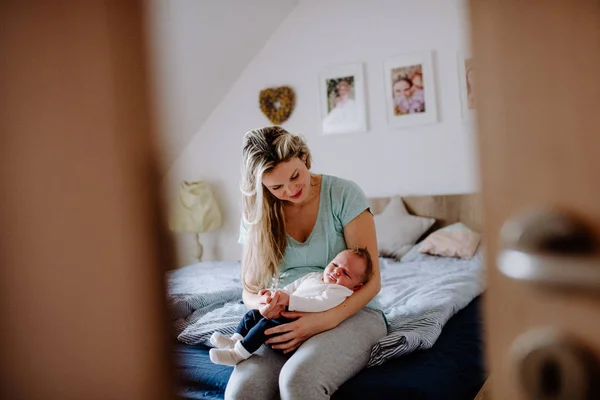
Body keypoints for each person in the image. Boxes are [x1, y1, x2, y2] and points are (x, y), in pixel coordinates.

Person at [226, 126, 386, 399]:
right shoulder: (257, 214)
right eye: (276, 187)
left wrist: (322, 320)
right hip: (282, 318)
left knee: (298, 380)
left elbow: (372, 283)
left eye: (295, 176)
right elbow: (249, 291)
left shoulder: (343, 194)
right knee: (242, 392)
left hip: (350, 311)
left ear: (304, 157)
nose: (290, 190)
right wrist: (264, 304)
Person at [209, 247, 373, 366]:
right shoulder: (314, 276)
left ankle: (237, 355)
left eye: (345, 273)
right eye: (335, 265)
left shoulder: (339, 292)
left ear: (356, 287)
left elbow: (318, 304)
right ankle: (235, 340)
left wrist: (289, 301)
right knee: (252, 315)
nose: (337, 272)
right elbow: (291, 288)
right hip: (284, 310)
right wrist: (273, 295)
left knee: (264, 325)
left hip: (295, 325)